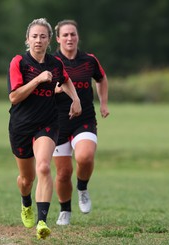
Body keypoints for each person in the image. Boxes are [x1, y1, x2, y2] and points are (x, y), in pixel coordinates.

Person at [7, 18, 81, 240]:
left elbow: (66, 80)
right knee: (26, 179)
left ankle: (41, 222)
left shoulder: (56, 63)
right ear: (27, 40)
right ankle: (26, 202)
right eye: (34, 36)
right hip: (21, 125)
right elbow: (14, 97)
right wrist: (38, 80)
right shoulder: (19, 62)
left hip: (47, 123)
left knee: (44, 168)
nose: (38, 40)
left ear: (49, 40)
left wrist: (75, 99)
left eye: (42, 36)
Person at [52, 20, 110, 225]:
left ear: (78, 37)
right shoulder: (51, 61)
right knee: (63, 172)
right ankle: (65, 210)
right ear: (57, 38)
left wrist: (103, 104)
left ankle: (82, 188)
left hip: (84, 119)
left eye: (73, 35)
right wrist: (55, 90)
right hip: (56, 122)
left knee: (85, 157)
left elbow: (101, 79)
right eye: (65, 35)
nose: (69, 38)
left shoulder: (89, 60)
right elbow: (41, 87)